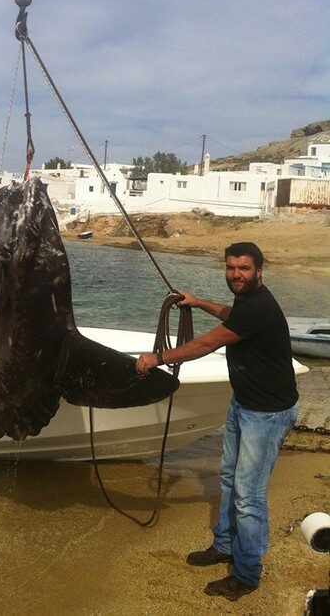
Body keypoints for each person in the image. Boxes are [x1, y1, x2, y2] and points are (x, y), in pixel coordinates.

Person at [136, 242, 298, 602]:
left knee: (249, 497)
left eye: (244, 269)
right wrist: (199, 302)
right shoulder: (246, 302)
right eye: (230, 268)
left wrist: (157, 358)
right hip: (244, 404)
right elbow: (230, 316)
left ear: (259, 271)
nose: (236, 275)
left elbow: (206, 345)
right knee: (229, 479)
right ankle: (224, 546)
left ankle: (247, 574)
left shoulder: (259, 306)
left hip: (267, 415)